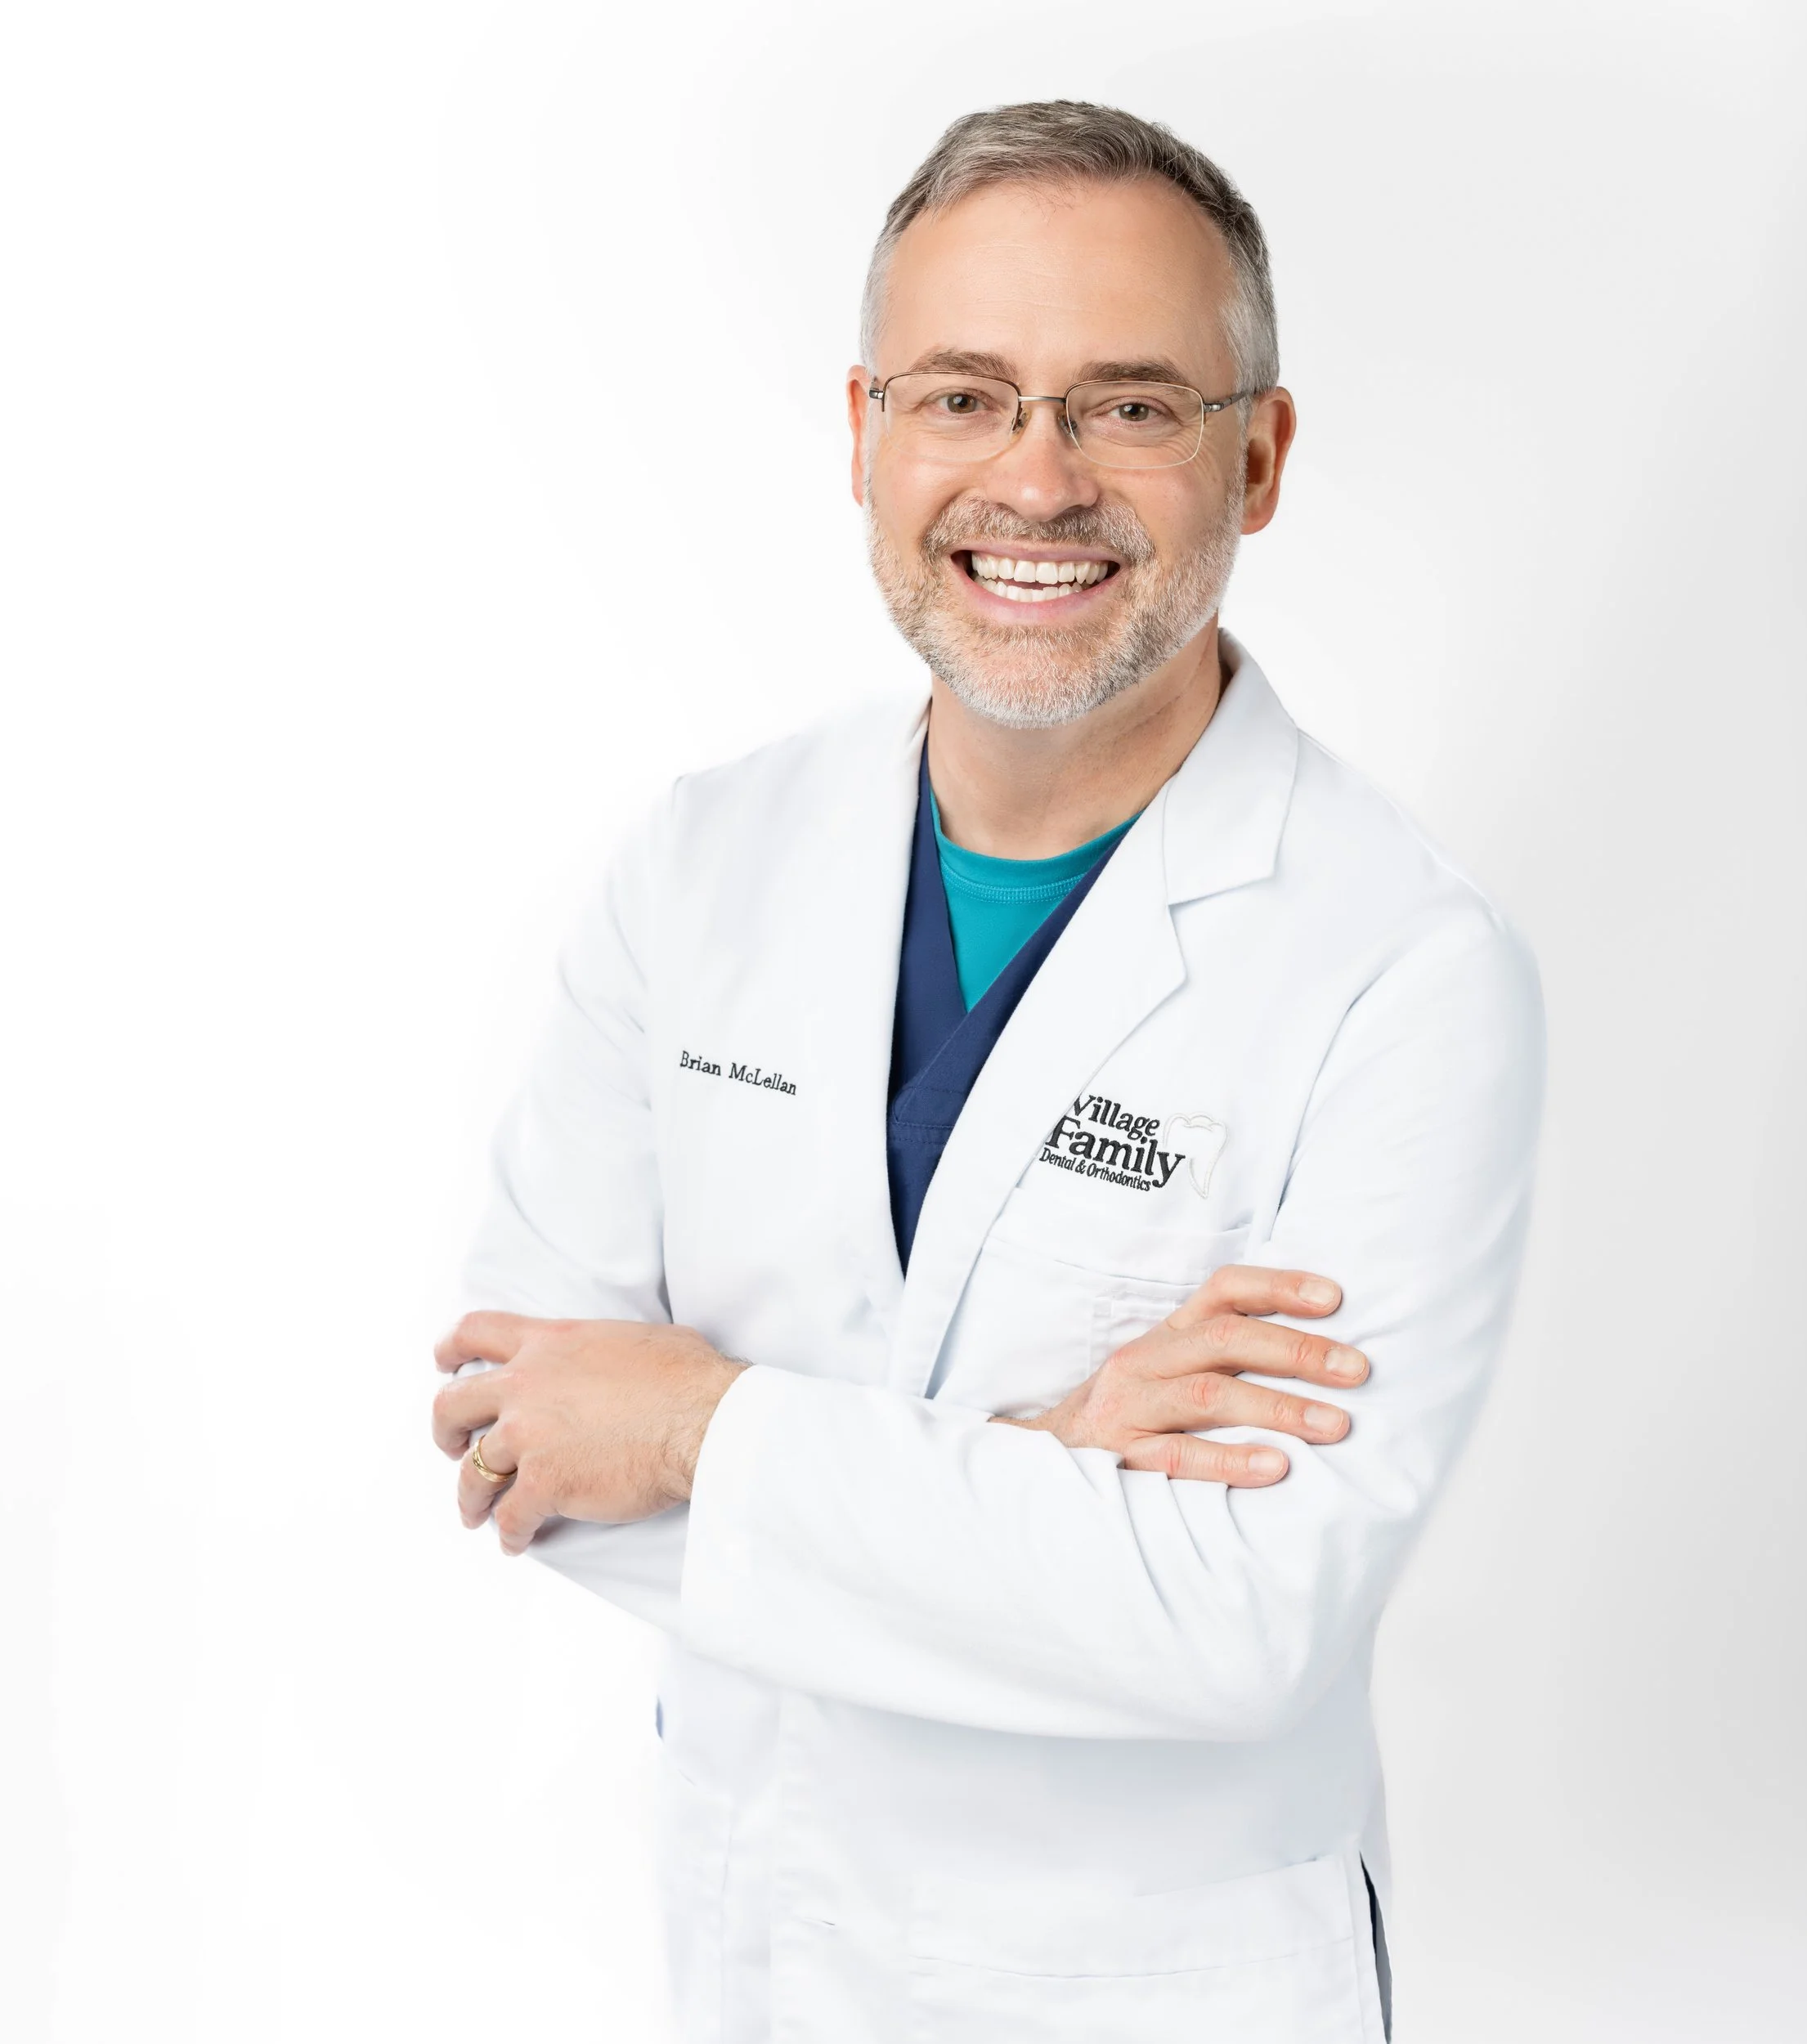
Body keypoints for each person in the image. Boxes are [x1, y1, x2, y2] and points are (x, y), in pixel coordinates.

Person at [430, 99, 1544, 2044]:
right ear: (864, 431)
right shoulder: (699, 865)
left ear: (1255, 457)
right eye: (963, 396)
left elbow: (1240, 1616)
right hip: (759, 1948)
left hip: (1162, 1989)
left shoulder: (1400, 968)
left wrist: (700, 1426)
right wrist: (1048, 1470)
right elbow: (529, 1440)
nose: (1034, 481)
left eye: (1128, 406)